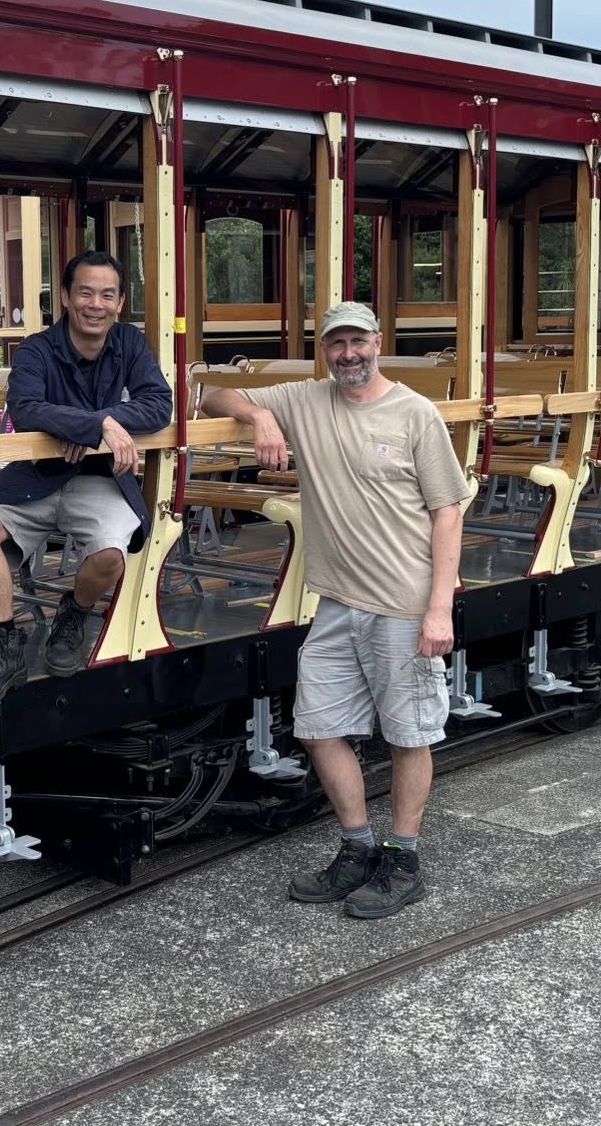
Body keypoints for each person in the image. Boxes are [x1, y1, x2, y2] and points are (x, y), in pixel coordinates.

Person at [199, 301, 468, 918]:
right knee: (318, 729)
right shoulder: (307, 399)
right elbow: (212, 393)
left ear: (378, 342)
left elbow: (447, 513)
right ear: (325, 350)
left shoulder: (415, 414)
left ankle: (403, 859)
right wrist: (259, 415)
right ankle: (356, 847)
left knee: (408, 734)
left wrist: (439, 609)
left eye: (357, 341)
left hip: (403, 602)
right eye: (336, 344)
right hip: (337, 603)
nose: (348, 353)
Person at [0, 250, 173, 701]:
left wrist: (98, 423)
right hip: (38, 476)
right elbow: (25, 408)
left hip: (100, 478)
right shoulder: (38, 348)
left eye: (107, 295)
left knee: (111, 556)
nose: (95, 304)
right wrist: (98, 426)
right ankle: (5, 643)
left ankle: (73, 612)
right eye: (85, 292)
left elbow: (159, 404)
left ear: (118, 303)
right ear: (65, 297)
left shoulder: (130, 344)